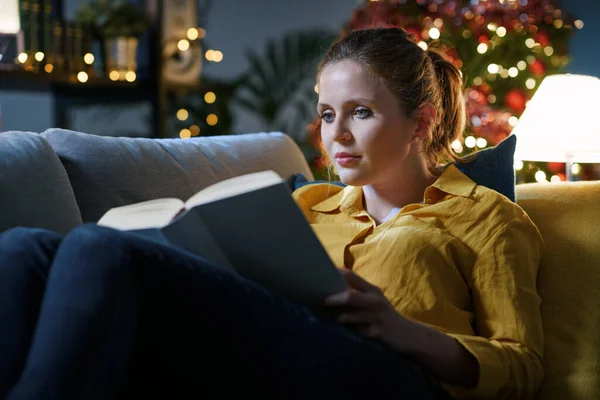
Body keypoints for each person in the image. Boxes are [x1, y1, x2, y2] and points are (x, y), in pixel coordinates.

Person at [0, 28, 543, 400]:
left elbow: (522, 366)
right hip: (278, 352)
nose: (338, 135)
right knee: (25, 246)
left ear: (421, 123)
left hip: (392, 377)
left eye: (361, 112)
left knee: (99, 246)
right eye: (328, 115)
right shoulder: (307, 203)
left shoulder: (489, 219)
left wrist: (399, 330)